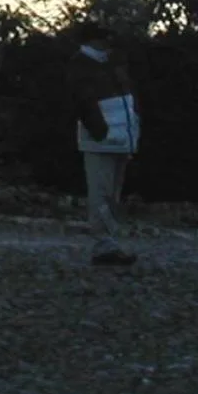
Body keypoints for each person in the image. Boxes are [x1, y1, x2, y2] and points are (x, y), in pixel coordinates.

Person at [65, 21, 140, 268]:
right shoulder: (82, 66)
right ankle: (104, 244)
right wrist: (101, 131)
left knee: (112, 194)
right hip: (102, 140)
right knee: (102, 193)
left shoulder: (110, 64)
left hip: (120, 137)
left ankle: (110, 242)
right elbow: (82, 102)